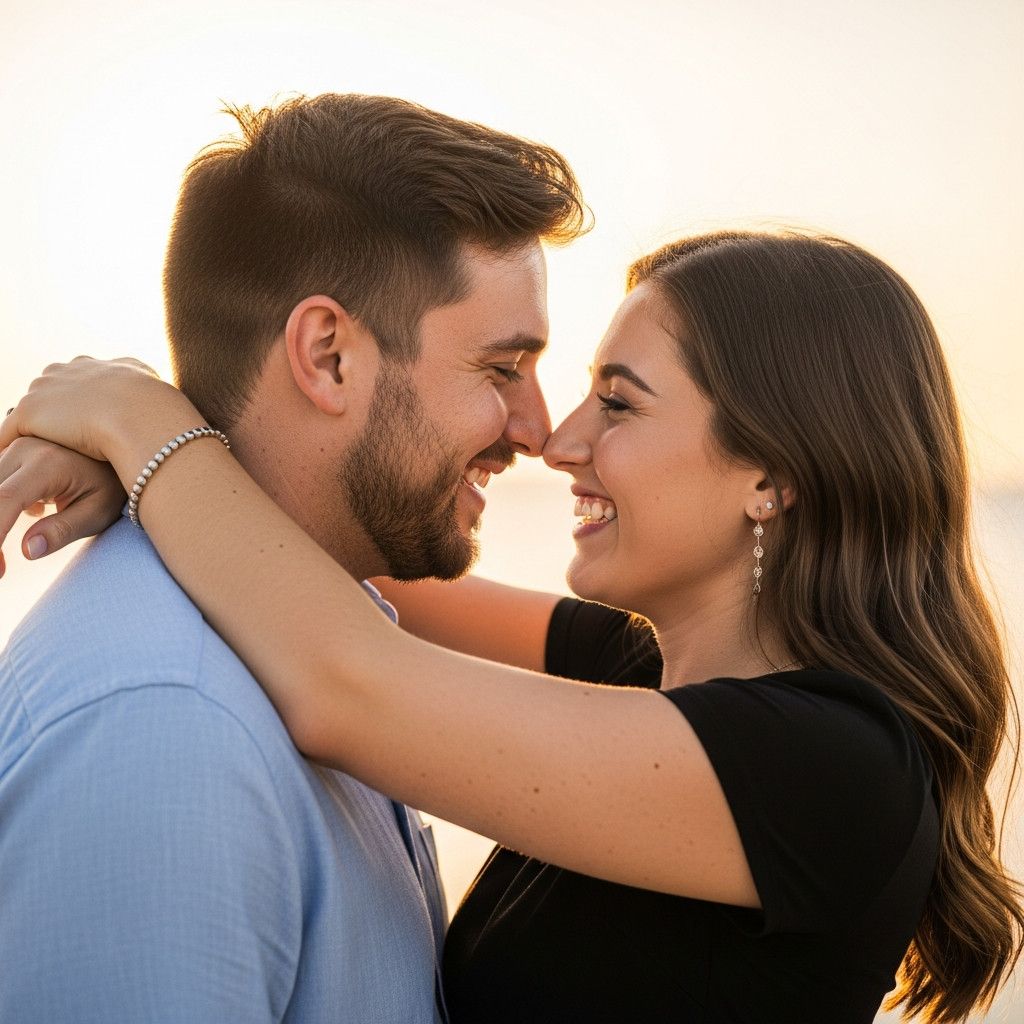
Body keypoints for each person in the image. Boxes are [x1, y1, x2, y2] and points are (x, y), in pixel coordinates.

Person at [3, 229, 1021, 1023]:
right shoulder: (637, 672)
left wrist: (139, 424)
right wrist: (140, 449)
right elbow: (325, 543)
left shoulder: (829, 768)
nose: (558, 441)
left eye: (617, 405)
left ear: (770, 477)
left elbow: (344, 680)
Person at [0, 93, 588, 1022]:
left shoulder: (315, 637)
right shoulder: (171, 730)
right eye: (501, 369)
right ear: (329, 356)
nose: (539, 429)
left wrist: (139, 431)